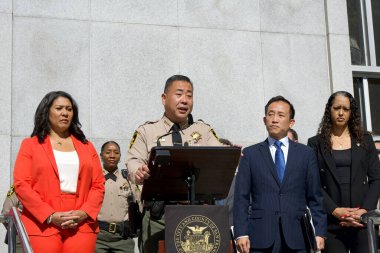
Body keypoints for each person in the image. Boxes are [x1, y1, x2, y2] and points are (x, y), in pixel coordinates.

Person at [126, 74, 223, 253]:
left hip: (198, 215)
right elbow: (133, 161)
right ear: (164, 98)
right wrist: (138, 171)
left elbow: (220, 156)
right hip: (159, 216)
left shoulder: (204, 130)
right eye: (179, 94)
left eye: (189, 95)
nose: (184, 100)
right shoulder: (147, 131)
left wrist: (231, 155)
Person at [13, 91, 105, 253]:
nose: (65, 113)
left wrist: (84, 212)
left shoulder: (87, 146)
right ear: (46, 111)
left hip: (80, 222)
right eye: (59, 108)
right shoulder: (30, 145)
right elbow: (22, 185)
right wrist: (49, 215)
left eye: (69, 109)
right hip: (42, 222)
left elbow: (98, 185)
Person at [234, 96, 326, 253]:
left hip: (298, 236)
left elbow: (315, 197)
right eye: (270, 114)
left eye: (280, 115)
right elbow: (241, 198)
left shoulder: (306, 154)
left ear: (291, 122)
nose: (274, 119)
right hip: (260, 237)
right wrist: (241, 233)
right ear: (264, 120)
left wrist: (319, 232)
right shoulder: (250, 154)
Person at [307, 91, 380, 253]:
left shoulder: (366, 140)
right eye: (336, 108)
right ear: (329, 111)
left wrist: (364, 211)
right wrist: (334, 210)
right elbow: (312, 183)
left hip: (362, 222)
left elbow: (377, 179)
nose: (341, 113)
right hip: (331, 223)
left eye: (345, 109)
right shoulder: (315, 143)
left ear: (351, 112)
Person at [96, 141, 139, 252]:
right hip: (98, 237)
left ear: (120, 157)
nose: (112, 155)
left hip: (123, 238)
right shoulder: (94, 178)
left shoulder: (128, 179)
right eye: (108, 152)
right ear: (101, 155)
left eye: (116, 152)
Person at [1, 185, 23, 253]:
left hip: (19, 239)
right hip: (20, 239)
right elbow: (6, 214)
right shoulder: (17, 189)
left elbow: (5, 212)